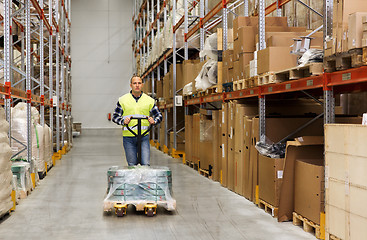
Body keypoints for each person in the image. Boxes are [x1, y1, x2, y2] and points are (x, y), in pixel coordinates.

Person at [112, 75, 162, 166]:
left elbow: (159, 115)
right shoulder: (123, 100)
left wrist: (154, 121)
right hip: (128, 138)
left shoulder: (149, 100)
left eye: (139, 83)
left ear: (142, 85)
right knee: (132, 165)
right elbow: (115, 117)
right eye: (135, 83)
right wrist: (123, 121)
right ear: (131, 85)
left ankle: (144, 180)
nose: (137, 85)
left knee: (145, 164)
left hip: (144, 136)